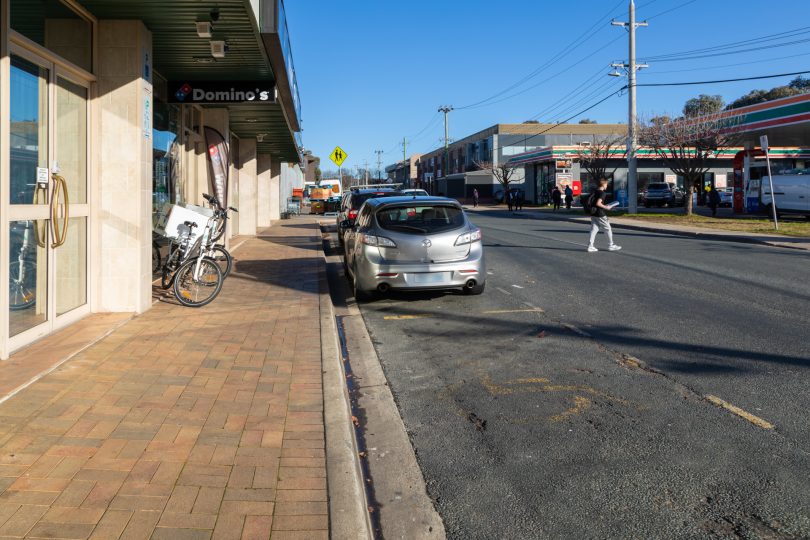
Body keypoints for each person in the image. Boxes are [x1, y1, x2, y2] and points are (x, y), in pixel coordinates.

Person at [587, 177, 621, 253]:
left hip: (593, 213)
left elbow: (594, 202)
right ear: (604, 184)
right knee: (608, 229)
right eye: (606, 184)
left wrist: (604, 205)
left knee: (594, 229)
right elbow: (598, 203)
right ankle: (611, 245)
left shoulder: (595, 191)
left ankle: (590, 246)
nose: (607, 186)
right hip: (600, 214)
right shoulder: (602, 193)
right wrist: (607, 207)